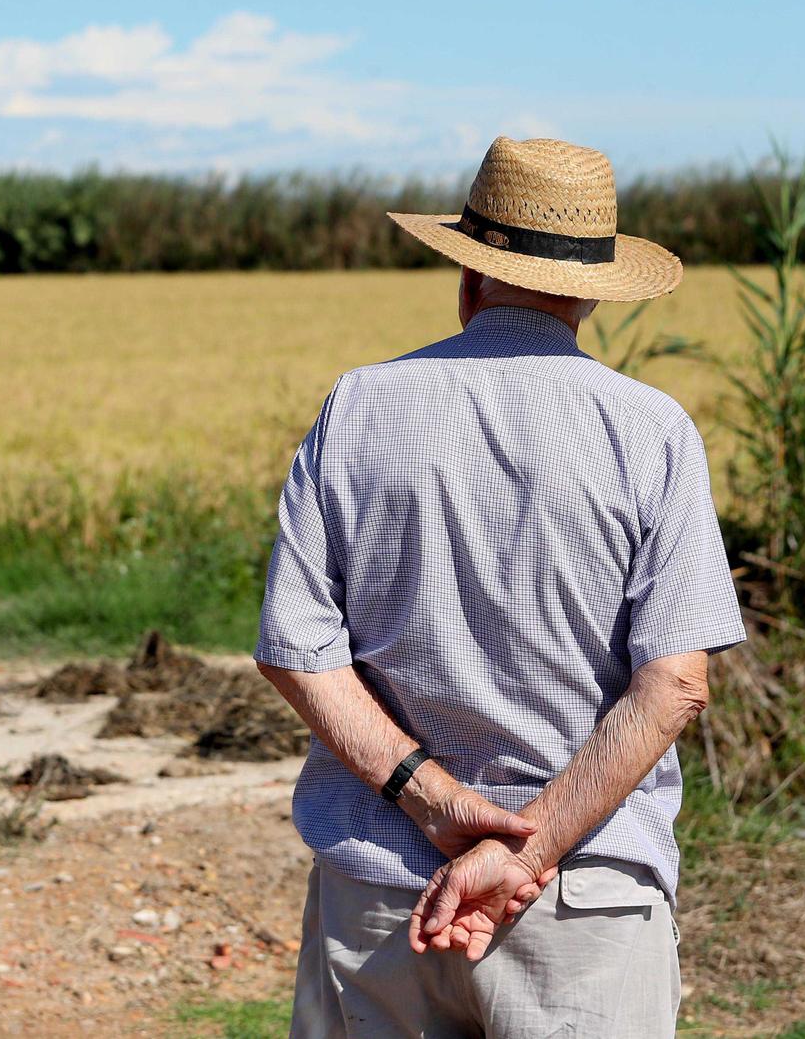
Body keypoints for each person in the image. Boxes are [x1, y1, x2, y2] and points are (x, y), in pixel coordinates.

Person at [255, 136, 746, 1038]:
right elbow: (675, 682)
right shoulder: (653, 432)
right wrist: (530, 849)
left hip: (380, 898)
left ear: (465, 273)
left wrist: (434, 803)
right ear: (593, 289)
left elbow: (295, 651)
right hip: (588, 902)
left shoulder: (358, 406)